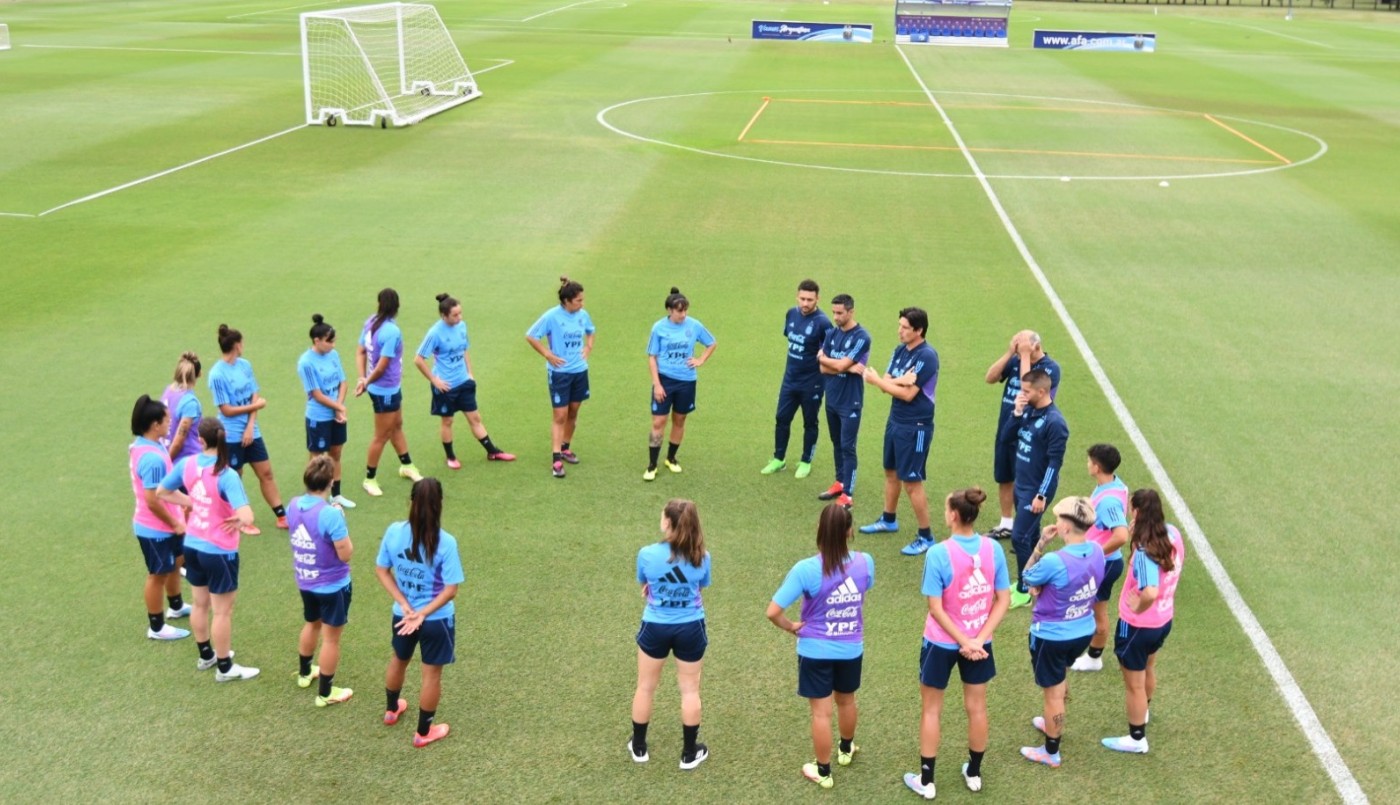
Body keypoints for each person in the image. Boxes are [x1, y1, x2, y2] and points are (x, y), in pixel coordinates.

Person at [905, 487, 1011, 799]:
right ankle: (974, 773)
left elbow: (935, 608)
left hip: (940, 643)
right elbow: (1003, 599)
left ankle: (927, 782)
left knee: (931, 710)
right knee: (977, 708)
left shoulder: (938, 553)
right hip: (980, 644)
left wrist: (965, 640)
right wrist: (978, 640)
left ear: (953, 515)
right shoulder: (993, 549)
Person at [767, 504, 873, 789]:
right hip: (851, 647)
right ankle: (846, 749)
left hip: (814, 651)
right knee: (847, 700)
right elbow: (863, 588)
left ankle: (823, 771)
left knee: (821, 713)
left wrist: (791, 626)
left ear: (820, 530)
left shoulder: (806, 569)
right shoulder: (866, 562)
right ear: (849, 531)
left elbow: (773, 611)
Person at [157, 419, 259, 682]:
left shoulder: (187, 464)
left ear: (201, 440)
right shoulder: (227, 474)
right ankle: (225, 668)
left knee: (200, 604)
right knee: (222, 611)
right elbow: (247, 515)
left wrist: (191, 502)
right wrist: (241, 520)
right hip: (219, 551)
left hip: (192, 545)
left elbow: (162, 491)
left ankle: (206, 655)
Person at [375, 477, 463, 748]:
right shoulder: (446, 542)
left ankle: (391, 711)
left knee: (398, 659)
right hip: (436, 620)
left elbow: (382, 570)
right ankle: (424, 732)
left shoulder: (394, 531)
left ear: (411, 502)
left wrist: (403, 603)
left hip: (403, 616)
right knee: (431, 675)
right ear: (440, 504)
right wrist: (423, 613)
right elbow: (450, 590)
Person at [1019, 496, 1105, 768]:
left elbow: (1026, 577)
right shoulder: (1098, 551)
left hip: (1052, 635)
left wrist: (1041, 544)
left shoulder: (1055, 561)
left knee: (1053, 693)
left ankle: (1051, 751)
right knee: (1060, 674)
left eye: (1058, 519)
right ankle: (1052, 722)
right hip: (1083, 630)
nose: (1055, 522)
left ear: (1066, 527)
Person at [1101, 488, 1185, 754]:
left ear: (1136, 511)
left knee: (1133, 684)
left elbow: (1149, 591)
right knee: (1149, 667)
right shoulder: (1173, 534)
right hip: (1163, 619)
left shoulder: (1144, 550)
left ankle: (1137, 738)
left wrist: (1137, 605)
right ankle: (1144, 711)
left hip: (1138, 626)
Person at [630, 499, 712, 769]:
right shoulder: (703, 556)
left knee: (645, 687)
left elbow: (645, 583)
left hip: (655, 627)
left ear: (667, 522)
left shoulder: (646, 554)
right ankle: (689, 754)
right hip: (691, 628)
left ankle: (639, 747)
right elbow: (699, 587)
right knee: (690, 690)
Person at [858, 307, 940, 556]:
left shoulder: (927, 356)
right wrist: (897, 380)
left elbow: (908, 394)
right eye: (900, 325)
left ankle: (926, 536)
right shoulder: (900, 350)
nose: (900, 331)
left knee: (912, 482)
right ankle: (888, 519)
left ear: (919, 330)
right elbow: (889, 382)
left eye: (905, 327)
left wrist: (880, 382)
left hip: (916, 426)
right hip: (895, 421)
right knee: (891, 472)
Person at [414, 292, 515, 470]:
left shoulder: (462, 326)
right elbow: (418, 359)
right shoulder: (435, 333)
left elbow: (464, 349)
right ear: (444, 315)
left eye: (460, 313)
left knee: (475, 418)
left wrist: (470, 374)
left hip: (464, 382)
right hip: (446, 387)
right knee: (447, 421)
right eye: (455, 315)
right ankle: (450, 457)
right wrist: (435, 380)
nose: (459, 317)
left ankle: (492, 452)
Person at [287, 455, 354, 707]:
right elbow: (346, 554)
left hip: (306, 581)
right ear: (330, 482)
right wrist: (341, 519)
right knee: (331, 639)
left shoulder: (294, 505)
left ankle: (305, 673)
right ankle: (326, 693)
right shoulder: (330, 515)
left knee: (312, 624)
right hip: (332, 586)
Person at [209, 324, 286, 533]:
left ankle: (281, 516)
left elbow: (254, 394)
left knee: (266, 472)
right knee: (235, 477)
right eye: (241, 343)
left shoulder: (245, 365)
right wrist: (256, 406)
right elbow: (226, 410)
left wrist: (251, 426)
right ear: (236, 345)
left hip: (252, 430)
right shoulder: (217, 375)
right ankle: (240, 520)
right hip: (230, 435)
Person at [984, 331, 1060, 541]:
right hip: (1008, 425)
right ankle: (1006, 523)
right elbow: (990, 378)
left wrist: (1025, 355)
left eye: (1021, 344)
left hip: (1031, 431)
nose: (1018, 348)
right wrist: (1010, 353)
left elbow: (1028, 385)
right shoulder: (1016, 360)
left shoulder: (1050, 368)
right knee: (1004, 475)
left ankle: (1025, 526)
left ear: (1035, 346)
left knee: (1024, 480)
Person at [1003, 369, 1069, 608]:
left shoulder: (1055, 423)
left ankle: (1025, 589)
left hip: (1036, 490)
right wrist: (1016, 413)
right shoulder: (1028, 410)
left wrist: (1042, 494)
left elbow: (1054, 464)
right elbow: (1006, 438)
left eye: (1026, 391)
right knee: (1030, 535)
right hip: (1021, 484)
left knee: (1019, 538)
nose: (1022, 394)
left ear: (1042, 392)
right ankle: (1037, 579)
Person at [129, 395, 192, 641]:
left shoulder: (148, 445)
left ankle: (176, 606)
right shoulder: (152, 458)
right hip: (155, 528)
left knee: (175, 564)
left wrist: (188, 502)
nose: (170, 423)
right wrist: (175, 523)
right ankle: (156, 627)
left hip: (167, 524)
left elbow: (165, 490)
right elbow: (153, 500)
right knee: (158, 575)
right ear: (155, 425)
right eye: (167, 420)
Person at [760, 279, 832, 481]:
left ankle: (806, 461)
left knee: (810, 422)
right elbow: (792, 340)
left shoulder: (823, 323)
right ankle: (779, 458)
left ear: (817, 299)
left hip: (813, 382)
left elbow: (829, 352)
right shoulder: (791, 314)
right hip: (790, 380)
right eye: (802, 298)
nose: (805, 303)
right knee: (782, 418)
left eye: (810, 299)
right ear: (797, 297)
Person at [525, 276, 595, 478]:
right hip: (559, 374)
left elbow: (591, 331)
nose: (582, 304)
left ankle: (565, 448)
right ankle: (556, 459)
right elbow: (531, 335)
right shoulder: (551, 316)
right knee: (560, 415)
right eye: (578, 300)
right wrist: (548, 354)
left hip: (579, 371)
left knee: (573, 412)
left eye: (582, 299)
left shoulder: (583, 315)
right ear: (567, 301)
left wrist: (588, 347)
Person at [355, 288, 422, 497]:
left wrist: (363, 378)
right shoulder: (392, 331)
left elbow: (360, 351)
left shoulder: (371, 321)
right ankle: (369, 479)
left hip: (388, 387)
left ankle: (406, 465)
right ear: (397, 307)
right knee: (381, 435)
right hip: (384, 390)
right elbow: (382, 366)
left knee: (397, 425)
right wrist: (366, 381)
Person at [644, 288, 716, 481]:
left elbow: (711, 343)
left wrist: (700, 360)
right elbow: (652, 357)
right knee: (658, 422)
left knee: (680, 419)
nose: (683, 314)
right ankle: (652, 465)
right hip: (664, 381)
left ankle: (671, 458)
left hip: (686, 381)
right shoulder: (659, 328)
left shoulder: (694, 325)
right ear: (669, 310)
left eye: (685, 310)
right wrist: (657, 384)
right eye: (679, 311)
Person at [1071, 444, 1130, 672]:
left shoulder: (1109, 501)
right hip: (1102, 562)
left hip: (1105, 564)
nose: (1087, 464)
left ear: (1096, 467)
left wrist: (1096, 554)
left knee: (1097, 611)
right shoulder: (1114, 484)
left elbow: (1121, 535)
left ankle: (1094, 658)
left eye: (1089, 461)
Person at [815, 294, 870, 509]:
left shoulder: (861, 337)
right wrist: (845, 366)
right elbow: (823, 368)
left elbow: (836, 366)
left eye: (840, 313)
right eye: (834, 313)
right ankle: (840, 481)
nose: (836, 317)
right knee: (836, 442)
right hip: (832, 399)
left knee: (848, 447)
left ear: (851, 311)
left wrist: (825, 358)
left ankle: (848, 495)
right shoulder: (831, 334)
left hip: (850, 402)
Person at [298, 314, 354, 509]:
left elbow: (343, 382)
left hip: (336, 414)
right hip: (318, 417)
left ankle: (335, 495)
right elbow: (316, 394)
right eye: (329, 341)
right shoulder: (306, 362)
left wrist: (338, 407)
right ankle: (312, 497)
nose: (333, 345)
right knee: (316, 458)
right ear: (317, 341)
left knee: (336, 454)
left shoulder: (333, 355)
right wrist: (339, 407)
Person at [160, 352, 203, 463]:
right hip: (186, 462)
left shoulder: (167, 391)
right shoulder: (190, 403)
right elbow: (178, 442)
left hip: (165, 453)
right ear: (199, 374)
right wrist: (167, 464)